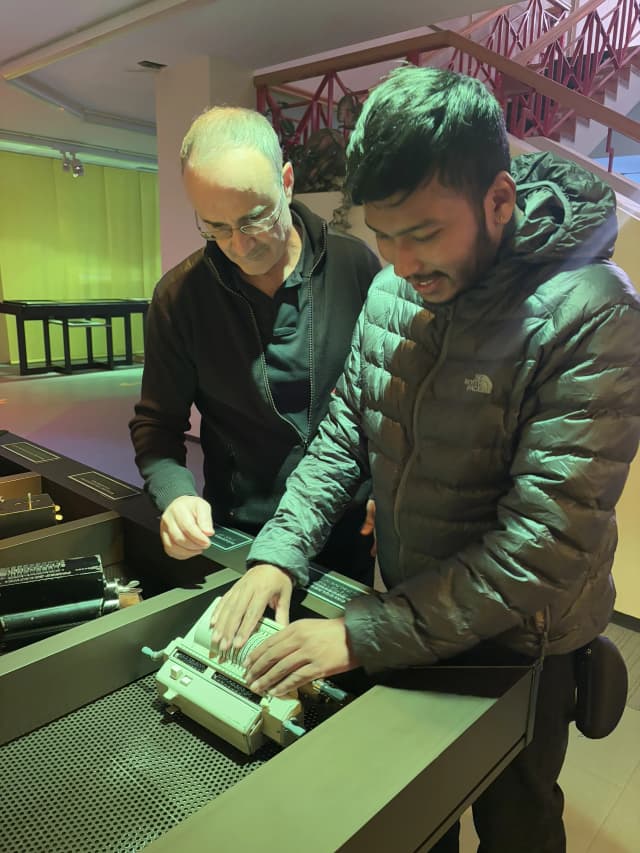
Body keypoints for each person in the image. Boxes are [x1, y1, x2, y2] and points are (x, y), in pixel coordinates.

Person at [210, 67, 640, 852]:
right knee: (418, 813)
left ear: (499, 202)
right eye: (385, 235)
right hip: (409, 614)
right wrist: (279, 552)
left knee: (518, 820)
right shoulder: (396, 291)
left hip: (524, 647)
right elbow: (346, 431)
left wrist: (364, 632)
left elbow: (540, 547)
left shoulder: (593, 312)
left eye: (423, 234)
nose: (401, 262)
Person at [129, 106, 380, 582]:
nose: (239, 245)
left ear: (286, 182)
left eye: (254, 219)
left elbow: (384, 401)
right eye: (216, 227)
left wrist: (388, 490)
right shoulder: (180, 298)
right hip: (243, 532)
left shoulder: (356, 267)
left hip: (349, 523)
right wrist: (176, 495)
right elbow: (158, 424)